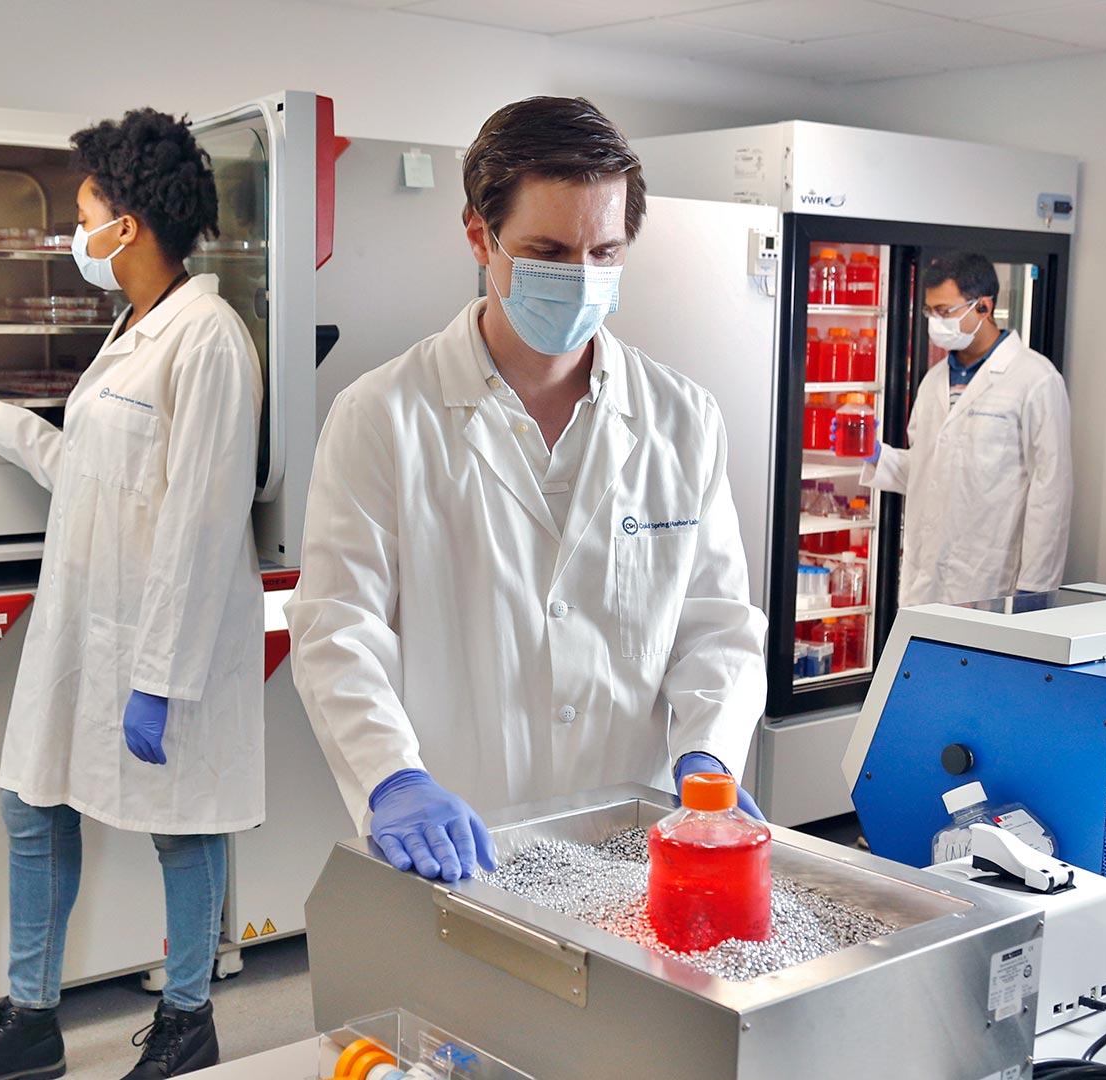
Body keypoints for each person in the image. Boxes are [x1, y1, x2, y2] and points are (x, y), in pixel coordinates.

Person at [286, 96, 767, 883]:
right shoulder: (381, 416)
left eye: (605, 253)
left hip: (632, 846)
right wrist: (394, 780)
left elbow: (714, 624)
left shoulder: (683, 418)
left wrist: (708, 753)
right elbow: (338, 630)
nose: (581, 280)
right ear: (480, 234)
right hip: (461, 847)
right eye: (548, 251)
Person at [0, 109, 264, 1080]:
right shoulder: (132, 328)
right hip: (82, 622)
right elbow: (94, 473)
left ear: (130, 226)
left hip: (157, 633)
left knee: (180, 825)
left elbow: (199, 520)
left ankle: (189, 1021)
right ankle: (32, 1023)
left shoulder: (210, 341)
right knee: (33, 804)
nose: (78, 230)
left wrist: (159, 678)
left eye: (85, 210)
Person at [862, 250, 1072, 607]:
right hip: (926, 573)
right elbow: (929, 469)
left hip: (991, 576)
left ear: (984, 307)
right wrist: (878, 455)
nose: (935, 322)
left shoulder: (1035, 379)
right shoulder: (934, 381)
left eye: (945, 312)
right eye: (930, 312)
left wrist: (1036, 586)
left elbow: (1051, 491)